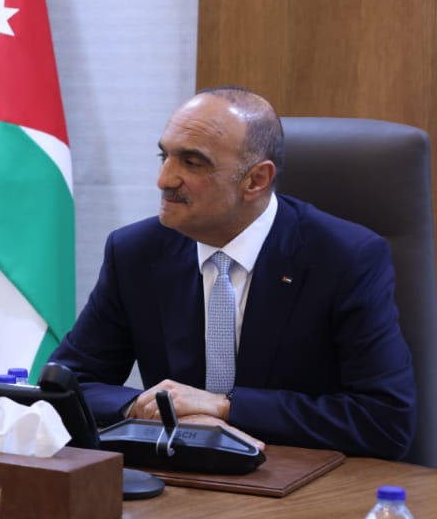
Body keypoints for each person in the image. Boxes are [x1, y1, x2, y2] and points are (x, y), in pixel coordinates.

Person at [49, 87, 416, 459]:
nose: (164, 179)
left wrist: (223, 408)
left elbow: (385, 420)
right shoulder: (136, 252)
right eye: (165, 156)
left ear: (256, 180)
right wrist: (148, 407)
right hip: (175, 475)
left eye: (192, 162)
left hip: (300, 477)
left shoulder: (345, 258)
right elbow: (66, 383)